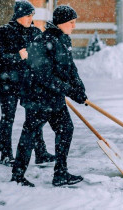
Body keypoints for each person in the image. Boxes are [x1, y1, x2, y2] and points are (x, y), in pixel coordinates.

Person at [11, 5, 87, 187]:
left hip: (54, 97)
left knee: (65, 129)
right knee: (30, 132)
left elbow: (70, 68)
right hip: (38, 97)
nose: (74, 26)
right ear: (61, 23)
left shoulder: (63, 39)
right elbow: (44, 76)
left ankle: (60, 173)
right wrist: (69, 90)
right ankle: (18, 175)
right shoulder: (43, 42)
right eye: (71, 22)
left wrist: (79, 89)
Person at [0, 0, 55, 167]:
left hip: (29, 83)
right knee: (8, 119)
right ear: (18, 15)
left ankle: (40, 153)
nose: (30, 18)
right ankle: (6, 155)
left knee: (34, 118)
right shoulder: (5, 32)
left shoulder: (34, 32)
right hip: (8, 84)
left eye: (32, 15)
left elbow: (43, 55)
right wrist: (17, 56)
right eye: (27, 15)